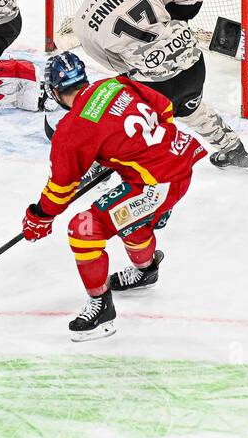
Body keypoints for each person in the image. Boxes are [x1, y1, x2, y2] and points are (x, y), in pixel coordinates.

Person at [22, 52, 206, 341]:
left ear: (54, 92)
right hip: (179, 162)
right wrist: (132, 156)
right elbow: (164, 109)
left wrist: (39, 216)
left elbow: (61, 188)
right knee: (125, 216)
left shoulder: (72, 130)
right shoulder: (115, 85)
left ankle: (101, 310)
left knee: (83, 229)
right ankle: (146, 270)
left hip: (156, 185)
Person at [66, 0, 248, 169]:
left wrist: (150, 55)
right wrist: (169, 24)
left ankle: (108, 166)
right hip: (194, 65)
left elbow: (114, 64)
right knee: (188, 106)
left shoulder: (82, 23)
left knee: (119, 116)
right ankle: (233, 149)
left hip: (155, 86)